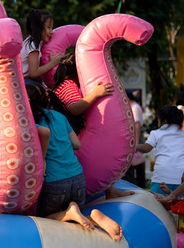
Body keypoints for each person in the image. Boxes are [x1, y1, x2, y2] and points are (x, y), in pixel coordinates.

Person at [26, 82, 122, 241]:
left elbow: (44, 132)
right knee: (76, 220)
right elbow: (77, 144)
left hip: (54, 182)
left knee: (42, 218)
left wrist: (43, 157)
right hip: (77, 178)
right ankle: (90, 216)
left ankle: (68, 212)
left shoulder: (30, 122)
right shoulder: (59, 116)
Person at [52, 53, 133, 199]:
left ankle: (110, 189)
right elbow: (74, 107)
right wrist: (96, 94)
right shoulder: (67, 84)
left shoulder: (65, 84)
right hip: (67, 134)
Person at [137, 106, 184, 195]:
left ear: (165, 120)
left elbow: (146, 148)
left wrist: (133, 146)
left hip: (161, 177)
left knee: (156, 204)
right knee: (178, 205)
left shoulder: (157, 133)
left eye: (159, 119)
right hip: (181, 179)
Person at [20, 9, 62, 84]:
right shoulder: (33, 45)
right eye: (49, 27)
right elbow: (34, 73)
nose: (51, 32)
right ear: (38, 28)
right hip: (23, 82)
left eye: (52, 28)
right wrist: (52, 63)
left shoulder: (34, 42)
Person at [123, 90, 146, 188]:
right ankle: (138, 185)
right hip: (134, 139)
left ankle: (136, 185)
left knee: (136, 164)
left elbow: (137, 125)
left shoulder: (135, 107)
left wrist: (135, 142)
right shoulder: (134, 107)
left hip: (135, 139)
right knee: (137, 163)